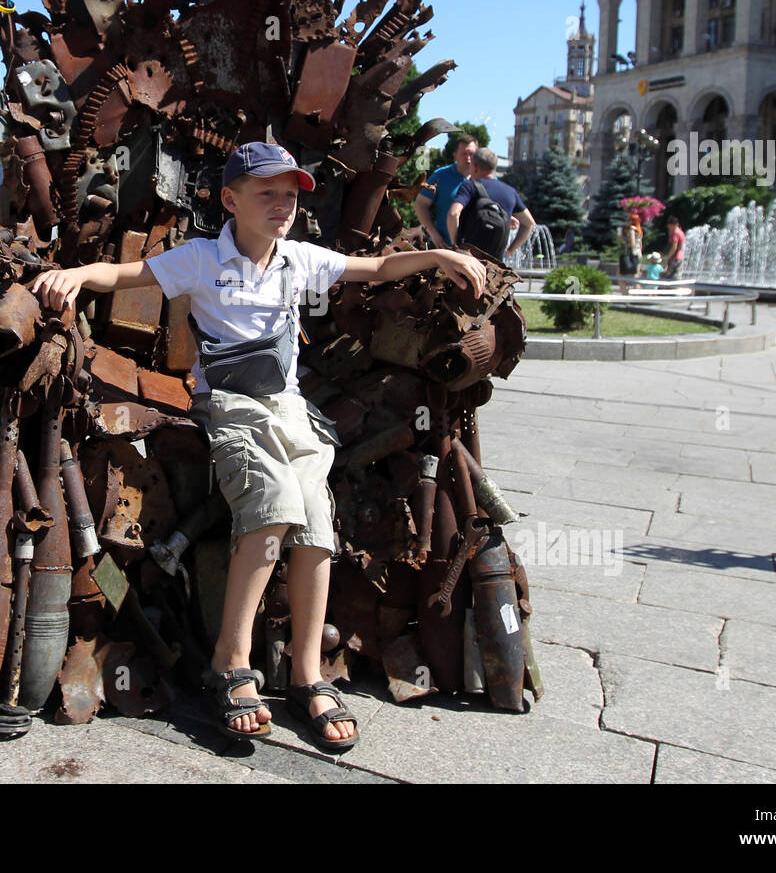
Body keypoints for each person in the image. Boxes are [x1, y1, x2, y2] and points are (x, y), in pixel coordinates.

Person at [31, 141, 486, 750]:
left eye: (291, 194)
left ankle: (304, 673)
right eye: (266, 192)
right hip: (234, 407)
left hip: (289, 410)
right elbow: (125, 275)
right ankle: (230, 662)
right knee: (271, 509)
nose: (283, 205)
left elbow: (373, 270)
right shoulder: (200, 259)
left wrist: (437, 254)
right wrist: (76, 274)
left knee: (316, 523)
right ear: (229, 199)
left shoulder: (296, 260)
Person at [445, 147, 536, 262]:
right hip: (495, 262)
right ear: (494, 168)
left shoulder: (469, 186)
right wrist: (509, 251)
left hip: (468, 259)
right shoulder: (510, 192)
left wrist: (455, 244)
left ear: (475, 167)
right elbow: (529, 224)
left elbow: (453, 214)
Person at [414, 134, 476, 246]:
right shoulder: (441, 175)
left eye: (471, 154)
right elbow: (420, 204)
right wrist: (433, 233)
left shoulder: (485, 177)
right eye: (464, 154)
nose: (468, 158)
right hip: (447, 248)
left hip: (478, 251)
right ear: (455, 155)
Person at [618, 213, 643, 278]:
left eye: (629, 220)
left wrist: (624, 240)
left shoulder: (632, 229)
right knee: (636, 272)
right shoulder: (639, 230)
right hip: (638, 252)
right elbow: (640, 244)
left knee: (621, 274)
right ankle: (636, 287)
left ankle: (623, 288)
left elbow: (632, 243)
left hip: (632, 253)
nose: (628, 221)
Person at [665, 214, 686, 279]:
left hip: (675, 257)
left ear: (673, 224)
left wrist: (668, 258)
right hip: (680, 256)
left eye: (669, 225)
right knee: (677, 275)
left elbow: (674, 247)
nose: (668, 227)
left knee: (669, 276)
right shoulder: (681, 232)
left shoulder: (675, 233)